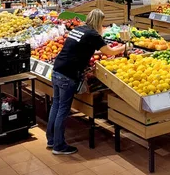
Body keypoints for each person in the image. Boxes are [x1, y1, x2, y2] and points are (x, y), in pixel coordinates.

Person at [47, 9, 125, 154]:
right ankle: (59, 146)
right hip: (68, 74)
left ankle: (51, 140)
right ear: (99, 22)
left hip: (57, 69)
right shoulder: (93, 34)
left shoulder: (79, 29)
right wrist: (125, 47)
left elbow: (82, 49)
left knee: (56, 105)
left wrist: (101, 52)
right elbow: (109, 52)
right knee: (63, 110)